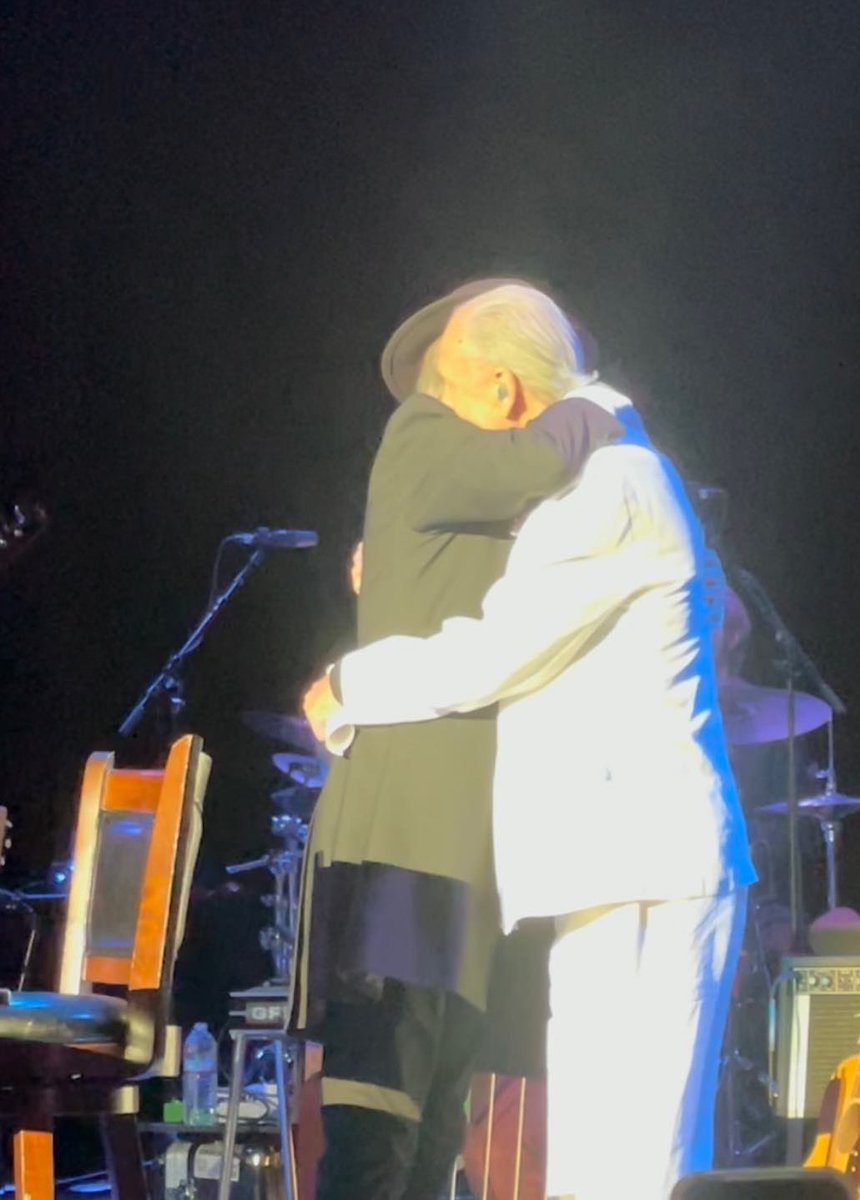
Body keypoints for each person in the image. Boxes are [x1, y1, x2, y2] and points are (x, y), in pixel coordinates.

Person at [305, 284, 757, 1200]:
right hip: (606, 865)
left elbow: (496, 654)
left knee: (641, 1163)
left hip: (646, 865)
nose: (446, 417)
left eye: (455, 390)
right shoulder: (589, 489)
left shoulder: (615, 482)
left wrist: (349, 683)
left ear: (507, 389)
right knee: (595, 1161)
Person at [291, 278, 623, 1200]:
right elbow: (536, 463)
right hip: (405, 845)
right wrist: (598, 401)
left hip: (464, 853)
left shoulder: (488, 507)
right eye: (534, 393)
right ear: (503, 387)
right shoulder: (423, 434)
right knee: (380, 1118)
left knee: (438, 1125)